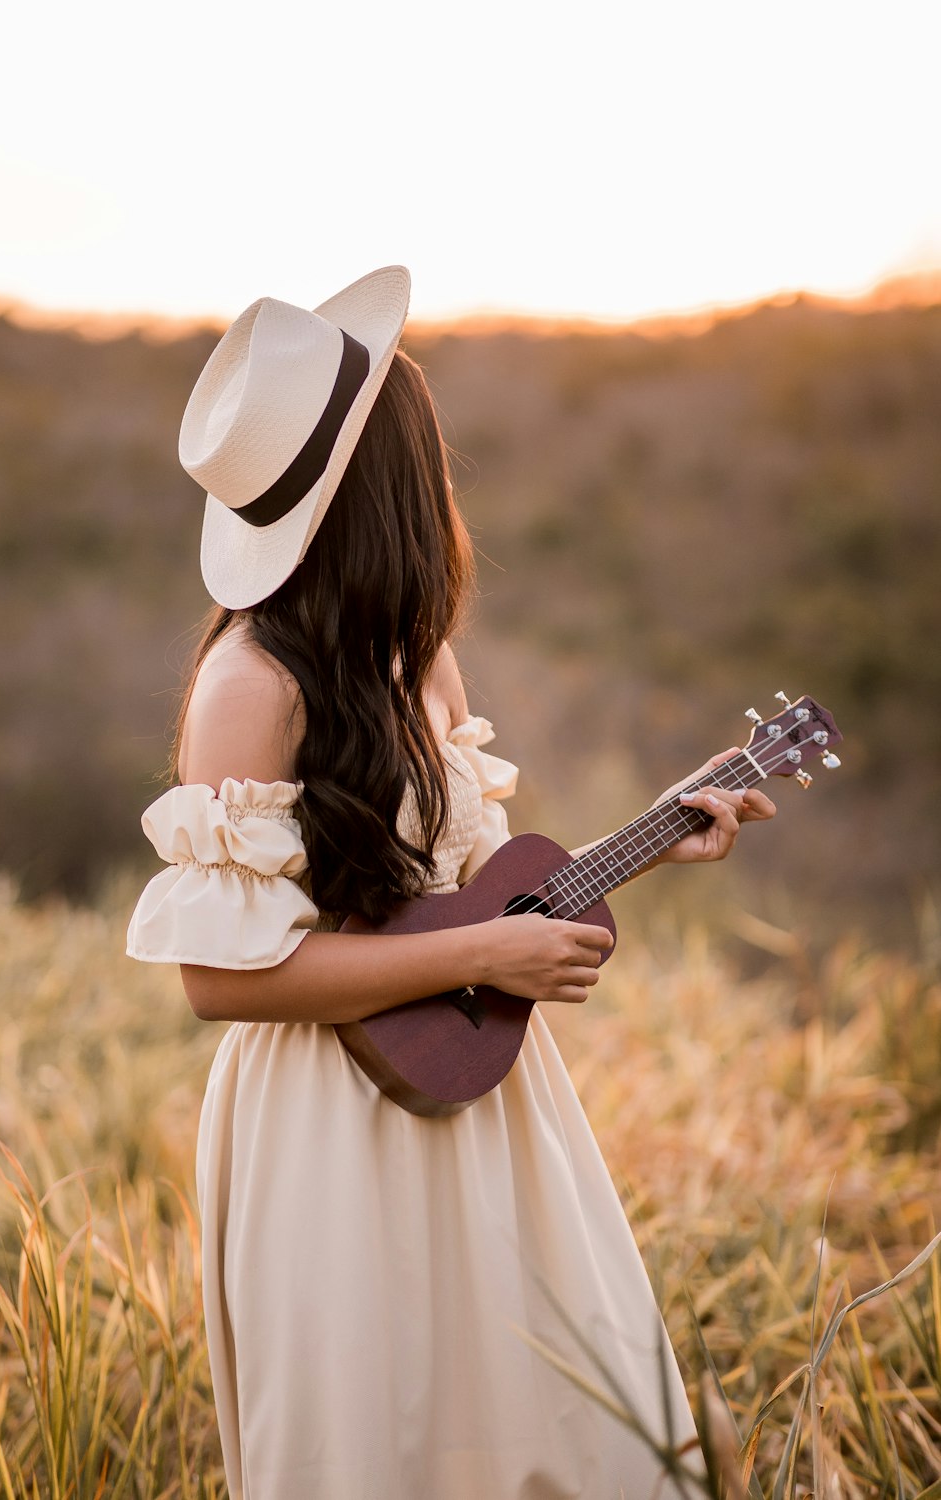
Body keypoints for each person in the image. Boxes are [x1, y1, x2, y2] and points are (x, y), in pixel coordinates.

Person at [126, 266, 775, 1500]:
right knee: (378, 1441)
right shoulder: (249, 688)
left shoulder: (422, 662)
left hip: (480, 1094)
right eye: (422, 453)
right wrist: (484, 961)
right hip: (323, 1124)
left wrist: (647, 839)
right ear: (390, 485)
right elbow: (220, 979)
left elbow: (469, 892)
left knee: (563, 1425)